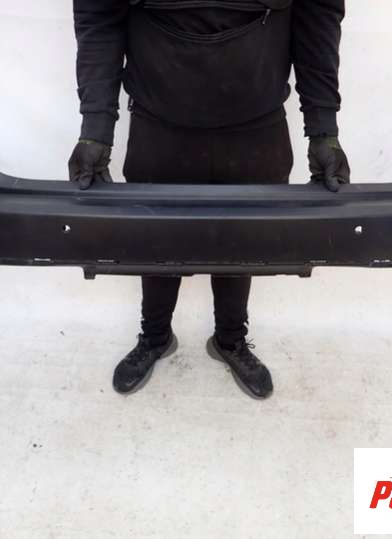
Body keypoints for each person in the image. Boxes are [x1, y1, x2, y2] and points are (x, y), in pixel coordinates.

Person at [69, 0, 350, 399]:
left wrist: (324, 132)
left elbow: (317, 16)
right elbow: (99, 15)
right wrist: (94, 130)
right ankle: (155, 336)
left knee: (243, 240)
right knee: (156, 239)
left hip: (257, 122)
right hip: (160, 121)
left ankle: (230, 339)